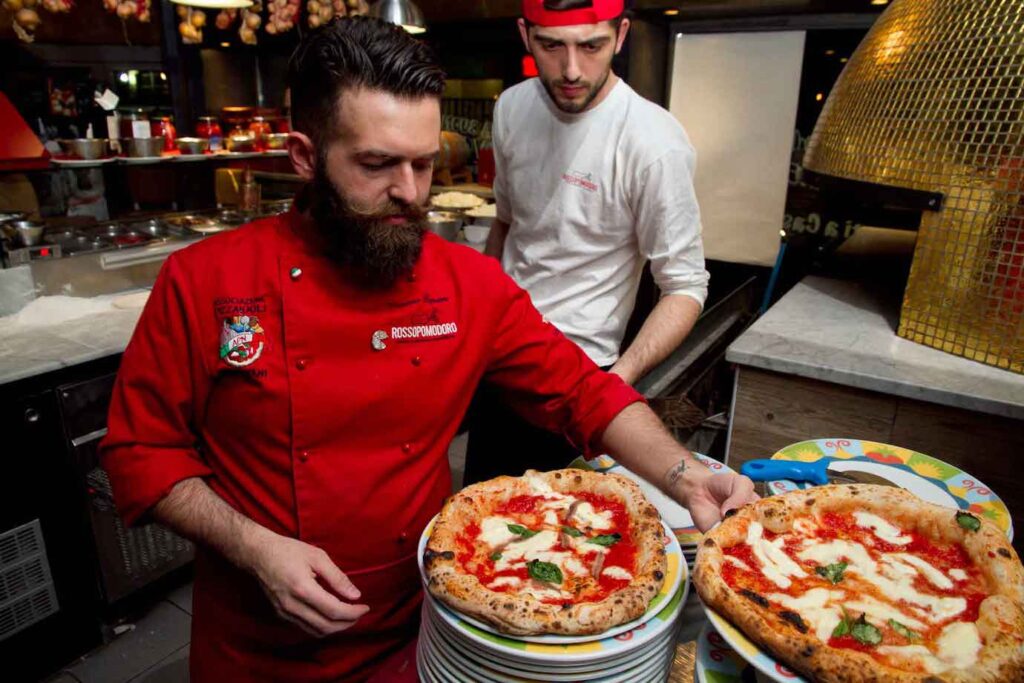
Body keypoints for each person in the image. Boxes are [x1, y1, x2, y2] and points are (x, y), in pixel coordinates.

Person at [99, 16, 756, 683]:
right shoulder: (205, 281)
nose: (410, 192)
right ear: (304, 156)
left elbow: (582, 392)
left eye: (423, 164)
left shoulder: (468, 285)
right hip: (252, 644)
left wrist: (687, 475)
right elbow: (139, 451)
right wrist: (254, 546)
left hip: (420, 630)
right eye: (378, 164)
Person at [464, 0, 710, 484]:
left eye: (591, 45)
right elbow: (507, 225)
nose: (571, 69)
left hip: (582, 370)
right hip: (501, 354)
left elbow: (684, 286)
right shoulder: (512, 107)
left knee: (558, 534)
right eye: (552, 46)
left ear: (620, 36)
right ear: (525, 35)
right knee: (476, 510)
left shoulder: (653, 142)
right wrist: (478, 324)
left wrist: (614, 381)